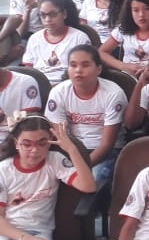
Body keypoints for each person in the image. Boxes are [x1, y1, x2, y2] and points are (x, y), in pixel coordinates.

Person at [46, 45, 127, 183]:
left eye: (85, 65)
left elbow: (107, 144)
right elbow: (61, 137)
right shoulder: (58, 92)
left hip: (104, 151)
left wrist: (80, 167)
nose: (78, 70)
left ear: (98, 69)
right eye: (73, 65)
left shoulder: (113, 94)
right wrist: (73, 161)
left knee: (92, 179)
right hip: (72, 148)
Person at [22, 0, 91, 85]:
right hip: (40, 86)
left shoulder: (79, 38)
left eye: (53, 14)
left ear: (64, 14)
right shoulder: (34, 39)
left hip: (68, 85)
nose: (48, 19)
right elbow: (28, 69)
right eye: (43, 15)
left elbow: (83, 70)